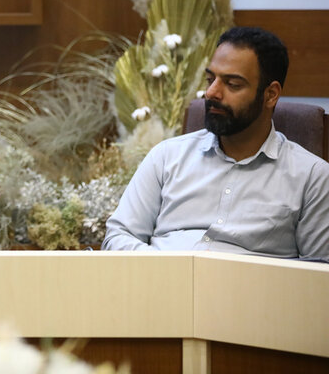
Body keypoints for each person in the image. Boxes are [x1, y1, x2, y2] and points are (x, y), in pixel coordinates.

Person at [102, 27, 329, 262]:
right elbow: (118, 236)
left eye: (232, 84)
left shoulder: (312, 177)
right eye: (211, 79)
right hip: (159, 288)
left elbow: (318, 276)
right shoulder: (166, 156)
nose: (211, 92)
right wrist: (170, 270)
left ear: (271, 94)